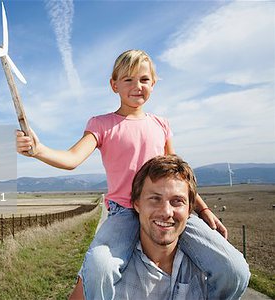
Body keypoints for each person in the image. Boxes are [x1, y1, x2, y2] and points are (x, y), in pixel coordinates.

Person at [16, 49, 249, 299]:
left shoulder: (161, 124)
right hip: (125, 211)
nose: (137, 86)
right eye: (128, 79)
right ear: (113, 84)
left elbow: (180, 178)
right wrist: (39, 150)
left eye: (144, 79)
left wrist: (202, 209)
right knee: (100, 266)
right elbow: (72, 159)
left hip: (166, 205)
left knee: (235, 269)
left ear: (154, 83)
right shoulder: (102, 124)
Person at [69, 155, 249, 299]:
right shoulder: (107, 271)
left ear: (189, 208)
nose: (166, 212)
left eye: (177, 201)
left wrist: (205, 209)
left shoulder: (211, 272)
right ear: (136, 204)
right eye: (155, 199)